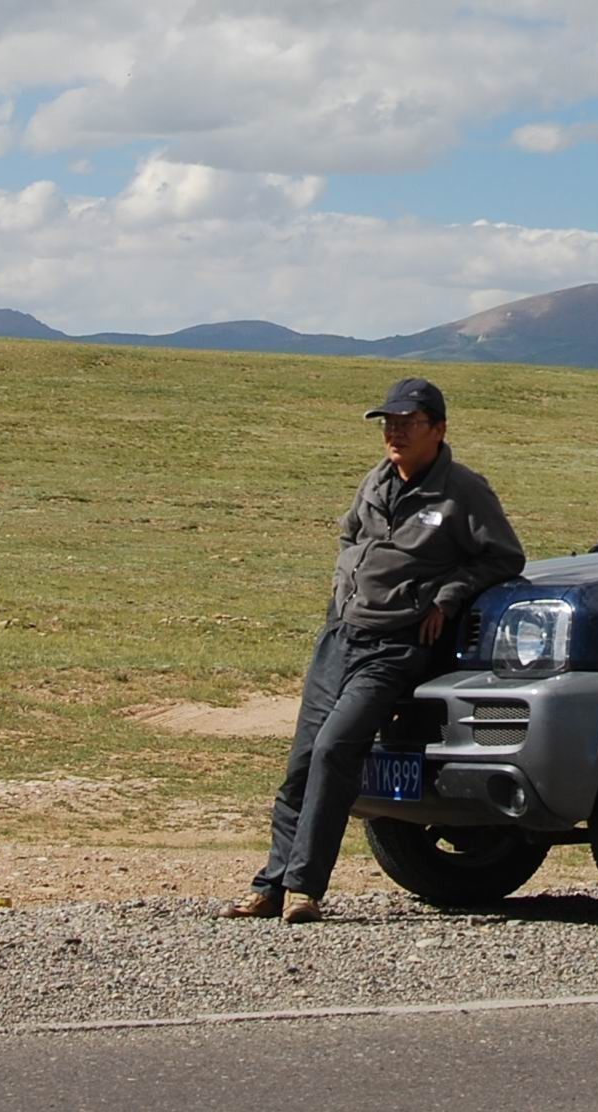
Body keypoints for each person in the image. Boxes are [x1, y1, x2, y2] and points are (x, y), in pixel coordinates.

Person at [224, 377, 526, 922]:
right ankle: (269, 885)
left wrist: (447, 597)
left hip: (395, 644)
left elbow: (504, 559)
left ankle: (304, 889)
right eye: (388, 423)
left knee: (337, 749)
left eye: (407, 424)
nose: (394, 433)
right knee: (301, 760)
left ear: (438, 429)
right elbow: (350, 538)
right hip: (341, 635)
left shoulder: (462, 491)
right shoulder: (376, 481)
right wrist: (342, 592)